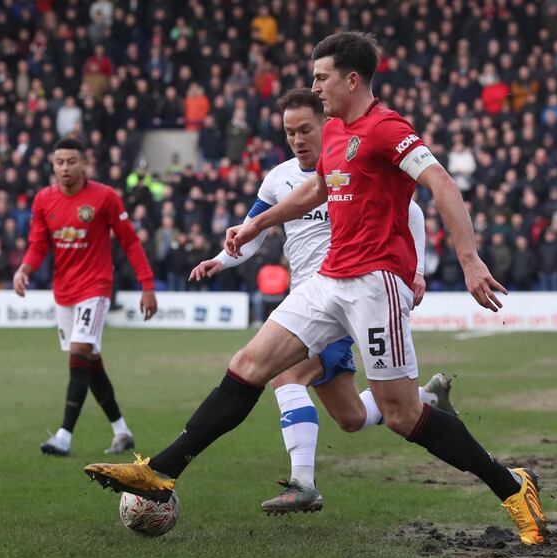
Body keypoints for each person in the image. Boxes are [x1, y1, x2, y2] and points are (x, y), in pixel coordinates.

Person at [85, 33, 547, 546]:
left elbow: (442, 184)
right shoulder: (334, 135)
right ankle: (161, 470)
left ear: (352, 79)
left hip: (376, 284)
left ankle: (512, 486)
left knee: (401, 415)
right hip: (328, 280)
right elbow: (316, 191)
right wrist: (258, 226)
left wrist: (469, 260)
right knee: (249, 366)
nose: (314, 86)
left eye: (321, 77)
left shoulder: (385, 128)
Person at [188, 89, 456, 514]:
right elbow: (252, 231)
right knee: (351, 418)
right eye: (289, 132)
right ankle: (424, 399)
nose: (296, 139)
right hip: (309, 302)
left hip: (347, 295)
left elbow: (415, 213)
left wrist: (418, 271)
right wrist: (220, 262)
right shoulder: (278, 179)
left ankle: (303, 483)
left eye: (304, 129)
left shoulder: (351, 160)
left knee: (285, 376)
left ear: (325, 124)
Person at [13, 138, 158, 457]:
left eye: (71, 161)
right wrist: (25, 268)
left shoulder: (104, 197)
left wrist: (147, 285)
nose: (65, 167)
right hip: (63, 291)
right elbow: (38, 244)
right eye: (59, 162)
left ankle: (64, 435)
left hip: (95, 286)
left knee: (79, 351)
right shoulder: (43, 200)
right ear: (52, 165)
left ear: (84, 164)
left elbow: (130, 242)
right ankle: (122, 430)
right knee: (89, 361)